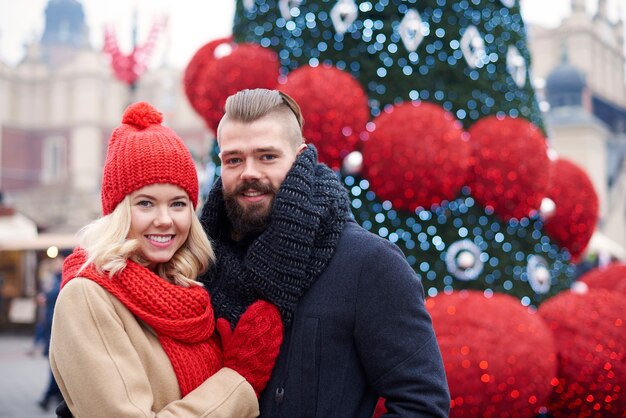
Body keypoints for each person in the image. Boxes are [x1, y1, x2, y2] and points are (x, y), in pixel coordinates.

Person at [199, 88, 451, 417]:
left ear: (300, 158)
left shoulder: (369, 264)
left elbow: (422, 404)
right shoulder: (200, 263)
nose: (249, 172)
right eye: (234, 159)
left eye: (267, 157)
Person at [49, 101, 283, 418]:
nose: (165, 220)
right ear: (118, 212)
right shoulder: (88, 297)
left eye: (177, 204)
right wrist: (238, 379)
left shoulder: (191, 292)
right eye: (146, 203)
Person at [38, 254, 64, 410]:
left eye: (58, 261)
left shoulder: (65, 278)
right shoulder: (54, 278)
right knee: (55, 365)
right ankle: (56, 397)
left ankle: (47, 397)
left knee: (56, 365)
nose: (56, 264)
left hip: (58, 327)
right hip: (50, 326)